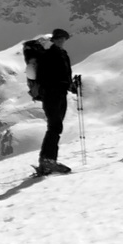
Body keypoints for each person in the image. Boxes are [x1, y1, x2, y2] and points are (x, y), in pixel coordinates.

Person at [27, 28, 77, 174]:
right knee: (55, 127)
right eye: (59, 38)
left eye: (64, 38)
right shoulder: (48, 56)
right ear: (54, 40)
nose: (62, 40)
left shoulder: (63, 54)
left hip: (60, 94)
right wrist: (60, 85)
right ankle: (48, 160)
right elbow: (44, 77)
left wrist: (70, 85)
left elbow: (65, 75)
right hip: (52, 94)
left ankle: (46, 161)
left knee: (55, 127)